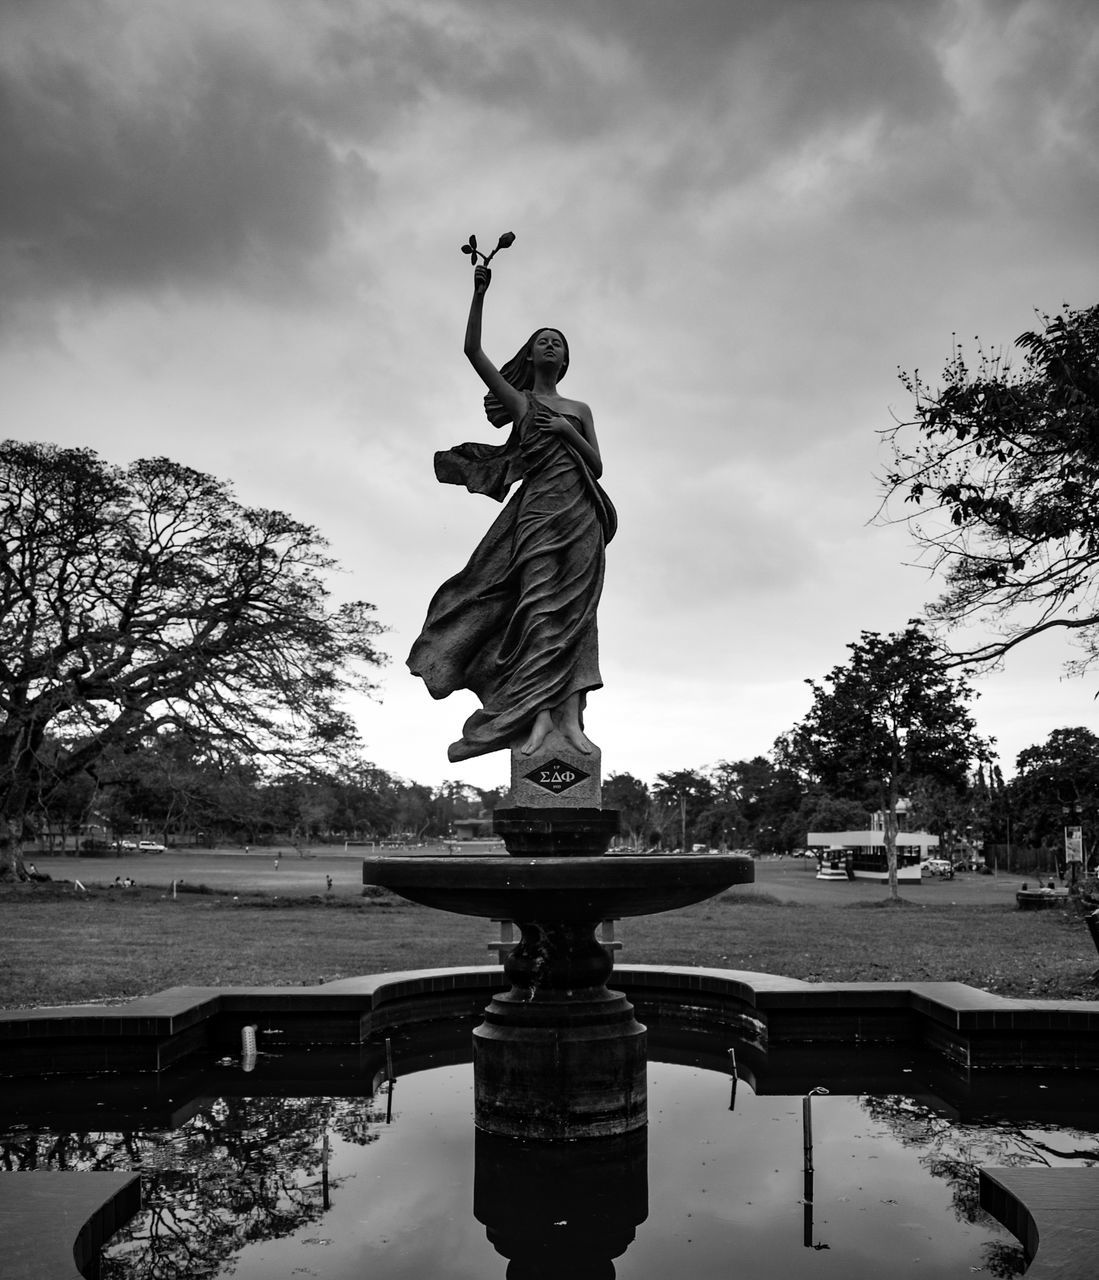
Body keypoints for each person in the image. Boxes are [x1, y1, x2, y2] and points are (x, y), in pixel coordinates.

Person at [408, 263, 617, 762]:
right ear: (530, 353)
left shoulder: (580, 410)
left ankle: (570, 719)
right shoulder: (522, 403)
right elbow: (473, 353)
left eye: (558, 342)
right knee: (540, 611)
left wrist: (569, 433)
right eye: (542, 340)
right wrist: (479, 294)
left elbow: (599, 466)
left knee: (578, 618)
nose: (550, 345)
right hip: (538, 519)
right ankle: (537, 718)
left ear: (565, 360)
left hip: (581, 519)